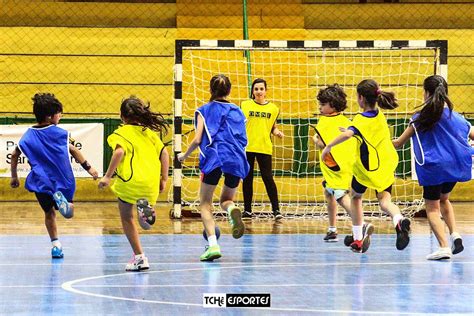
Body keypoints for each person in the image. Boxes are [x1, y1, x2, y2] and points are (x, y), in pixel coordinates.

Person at [321, 79, 411, 253]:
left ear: (360, 98)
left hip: (367, 168)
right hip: (386, 165)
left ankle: (358, 238)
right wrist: (353, 130)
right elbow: (364, 134)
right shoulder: (380, 115)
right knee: (385, 201)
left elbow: (348, 134)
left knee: (355, 197)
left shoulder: (360, 120)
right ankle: (398, 219)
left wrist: (328, 146)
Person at [393, 75, 474, 260]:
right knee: (444, 199)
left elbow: (398, 143)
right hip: (456, 166)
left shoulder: (421, 118)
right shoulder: (458, 118)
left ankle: (444, 247)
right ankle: (455, 235)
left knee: (432, 208)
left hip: (435, 167)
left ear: (426, 93)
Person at [10, 93, 99, 259]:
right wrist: (89, 168)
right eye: (59, 113)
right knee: (69, 212)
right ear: (50, 116)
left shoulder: (28, 136)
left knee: (49, 213)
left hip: (40, 181)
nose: (61, 116)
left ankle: (56, 245)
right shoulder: (60, 133)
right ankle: (63, 203)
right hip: (62, 179)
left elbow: (14, 155)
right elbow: (74, 150)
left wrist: (14, 177)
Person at [178, 74, 249, 261]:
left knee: (205, 205)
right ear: (229, 91)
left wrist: (184, 156)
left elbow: (197, 139)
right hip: (236, 157)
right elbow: (243, 139)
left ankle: (213, 245)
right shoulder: (238, 111)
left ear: (210, 90)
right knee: (226, 199)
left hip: (215, 157)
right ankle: (232, 209)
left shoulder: (204, 110)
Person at [98, 96, 169, 271]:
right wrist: (164, 179)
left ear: (122, 116)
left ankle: (139, 257)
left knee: (126, 218)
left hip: (130, 182)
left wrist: (107, 176)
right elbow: (165, 154)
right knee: (143, 217)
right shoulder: (150, 134)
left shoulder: (120, 133)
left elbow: (119, 152)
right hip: (150, 181)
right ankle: (145, 210)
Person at [312, 84, 357, 243]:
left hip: (334, 166)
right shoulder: (346, 121)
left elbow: (323, 143)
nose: (320, 107)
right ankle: (332, 229)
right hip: (347, 164)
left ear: (332, 105)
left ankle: (361, 224)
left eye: (323, 104)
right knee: (328, 192)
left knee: (340, 196)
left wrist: (315, 140)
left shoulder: (325, 122)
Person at [241, 78, 284, 220]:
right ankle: (247, 210)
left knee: (268, 178)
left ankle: (276, 210)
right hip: (248, 147)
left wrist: (277, 132)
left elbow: (273, 127)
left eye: (261, 89)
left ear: (266, 91)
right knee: (247, 178)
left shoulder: (273, 109)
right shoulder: (245, 105)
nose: (259, 91)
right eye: (256, 89)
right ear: (252, 91)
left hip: (264, 148)